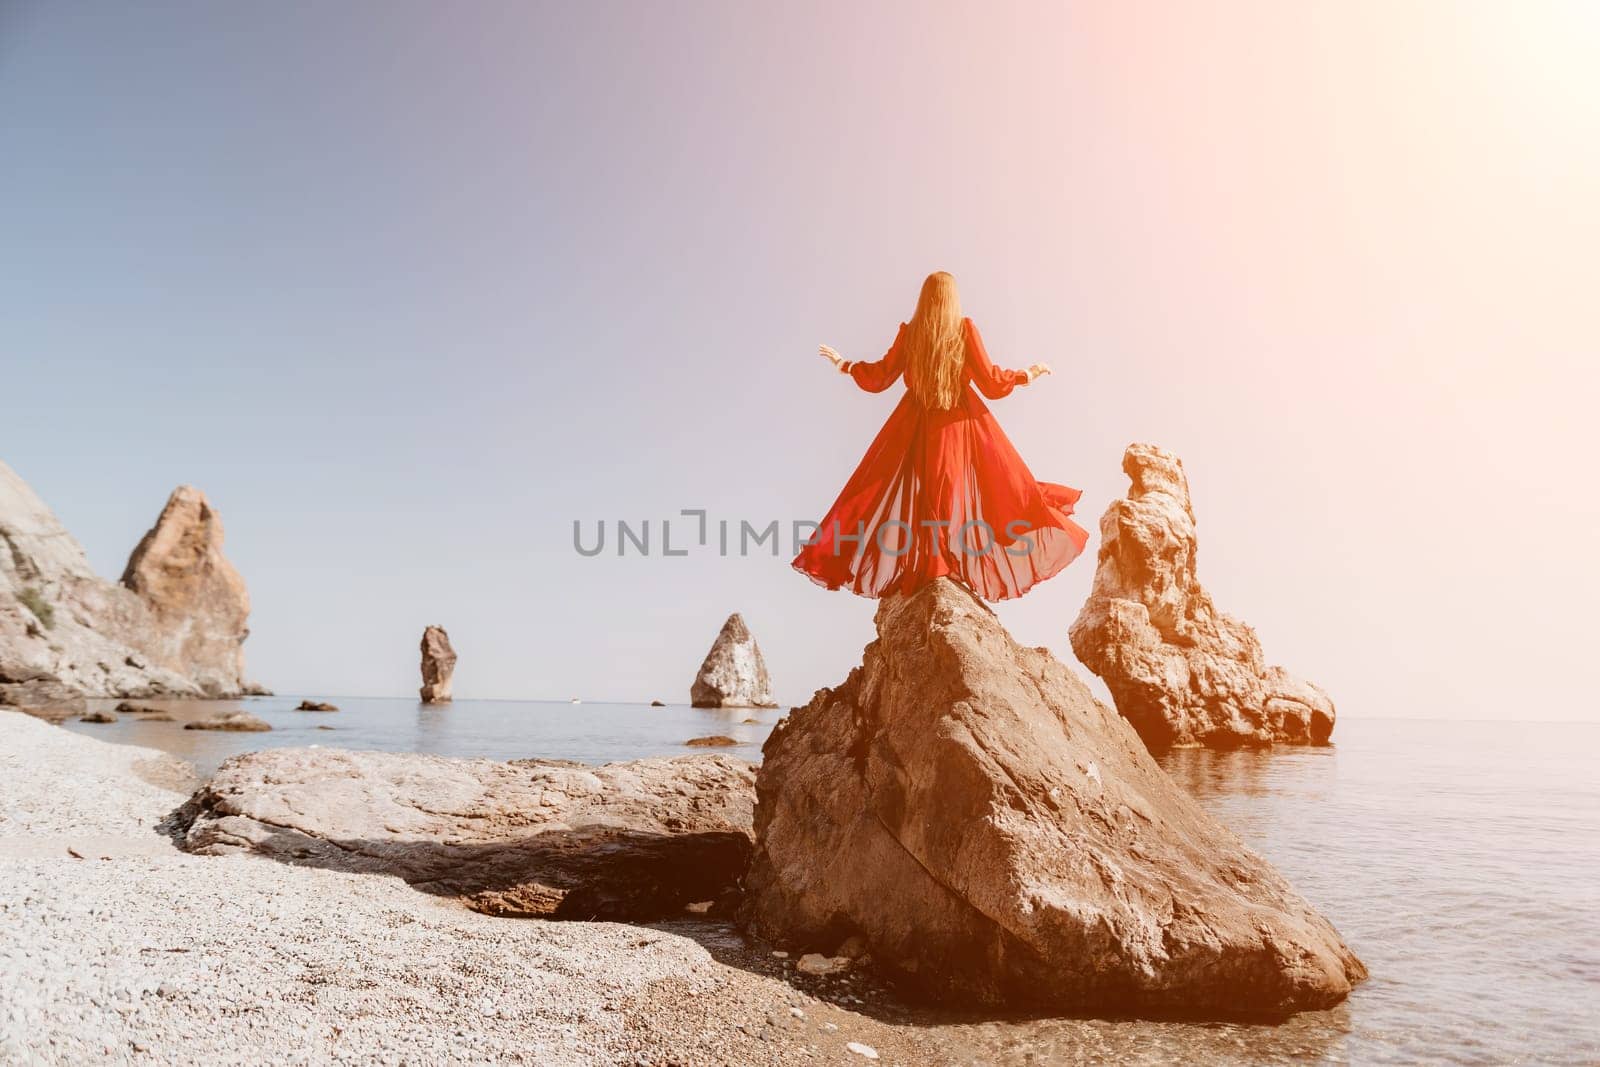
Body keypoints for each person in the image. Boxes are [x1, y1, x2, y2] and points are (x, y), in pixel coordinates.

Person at [793, 271, 1088, 601]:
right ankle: (937, 565)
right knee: (951, 494)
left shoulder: (912, 333)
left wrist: (845, 365)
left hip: (917, 426)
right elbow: (991, 382)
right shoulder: (963, 329)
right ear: (953, 298)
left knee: (927, 497)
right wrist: (1027, 374)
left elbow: (880, 376)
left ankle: (935, 565)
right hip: (957, 427)